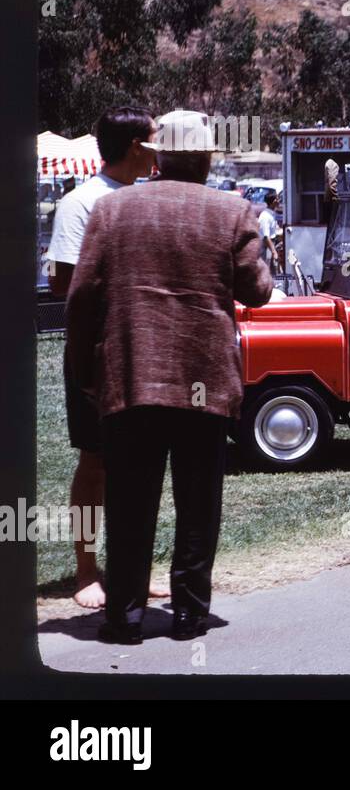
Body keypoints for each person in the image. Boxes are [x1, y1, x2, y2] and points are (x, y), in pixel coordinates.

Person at [66, 109, 273, 644]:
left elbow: (82, 297)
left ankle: (125, 615)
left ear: (158, 158)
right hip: (203, 380)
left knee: (130, 501)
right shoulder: (234, 212)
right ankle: (188, 613)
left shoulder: (112, 210)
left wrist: (85, 373)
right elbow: (257, 292)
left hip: (132, 377)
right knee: (198, 500)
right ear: (206, 159)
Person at [47, 106, 166, 610]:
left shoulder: (149, 199)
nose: (160, 151)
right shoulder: (80, 203)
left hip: (148, 352)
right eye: (154, 141)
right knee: (96, 462)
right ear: (135, 146)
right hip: (98, 354)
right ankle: (86, 569)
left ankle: (134, 567)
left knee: (141, 463)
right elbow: (62, 283)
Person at [258, 191, 283, 274]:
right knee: (266, 270)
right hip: (266, 247)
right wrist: (274, 252)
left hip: (271, 245)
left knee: (273, 271)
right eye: (277, 199)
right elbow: (266, 237)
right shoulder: (265, 216)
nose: (279, 200)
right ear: (273, 202)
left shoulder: (272, 214)